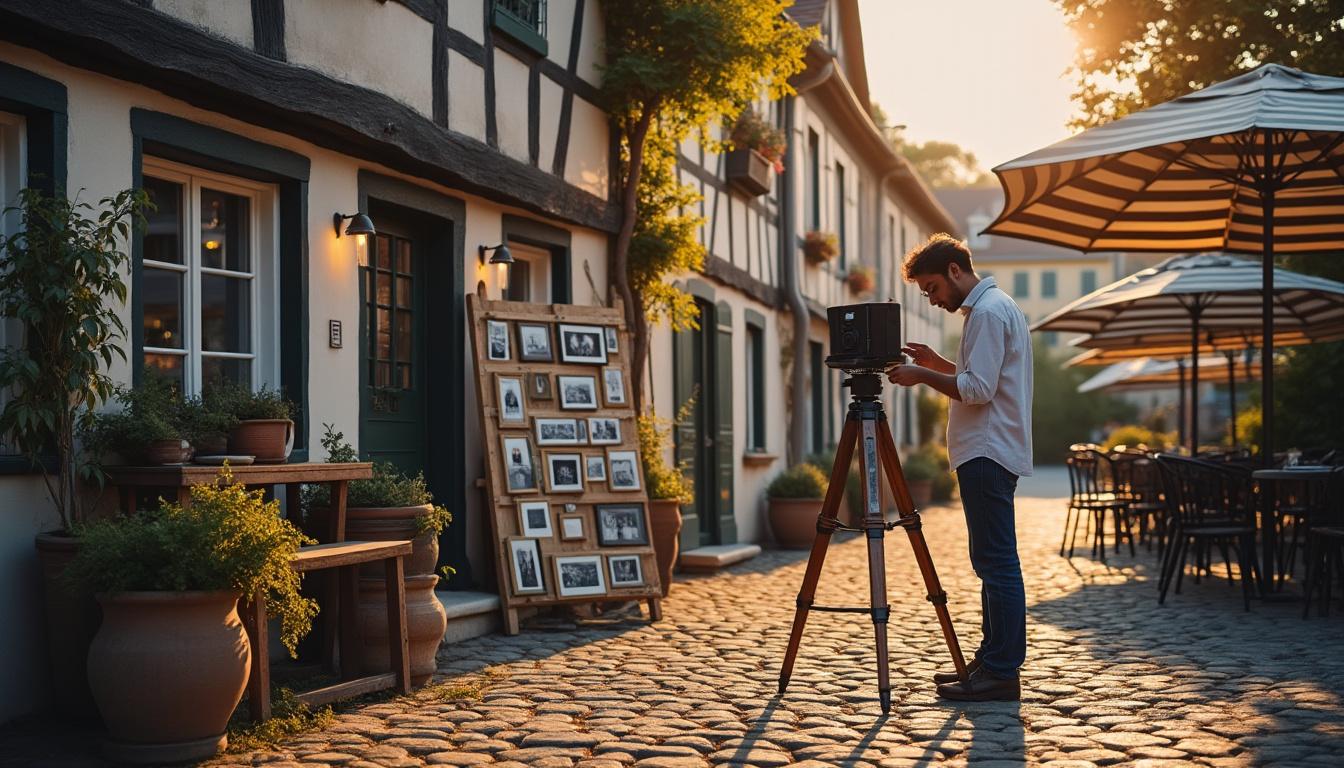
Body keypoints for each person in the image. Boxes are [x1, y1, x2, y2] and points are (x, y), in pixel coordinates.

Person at [885, 233, 1033, 702]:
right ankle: (991, 662)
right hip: (988, 449)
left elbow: (977, 390)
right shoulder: (993, 307)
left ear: (954, 270)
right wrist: (939, 361)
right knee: (991, 562)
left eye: (931, 287)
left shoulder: (987, 312)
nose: (931, 299)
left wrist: (922, 375)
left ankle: (1002, 671)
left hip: (987, 451)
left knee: (997, 563)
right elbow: (983, 376)